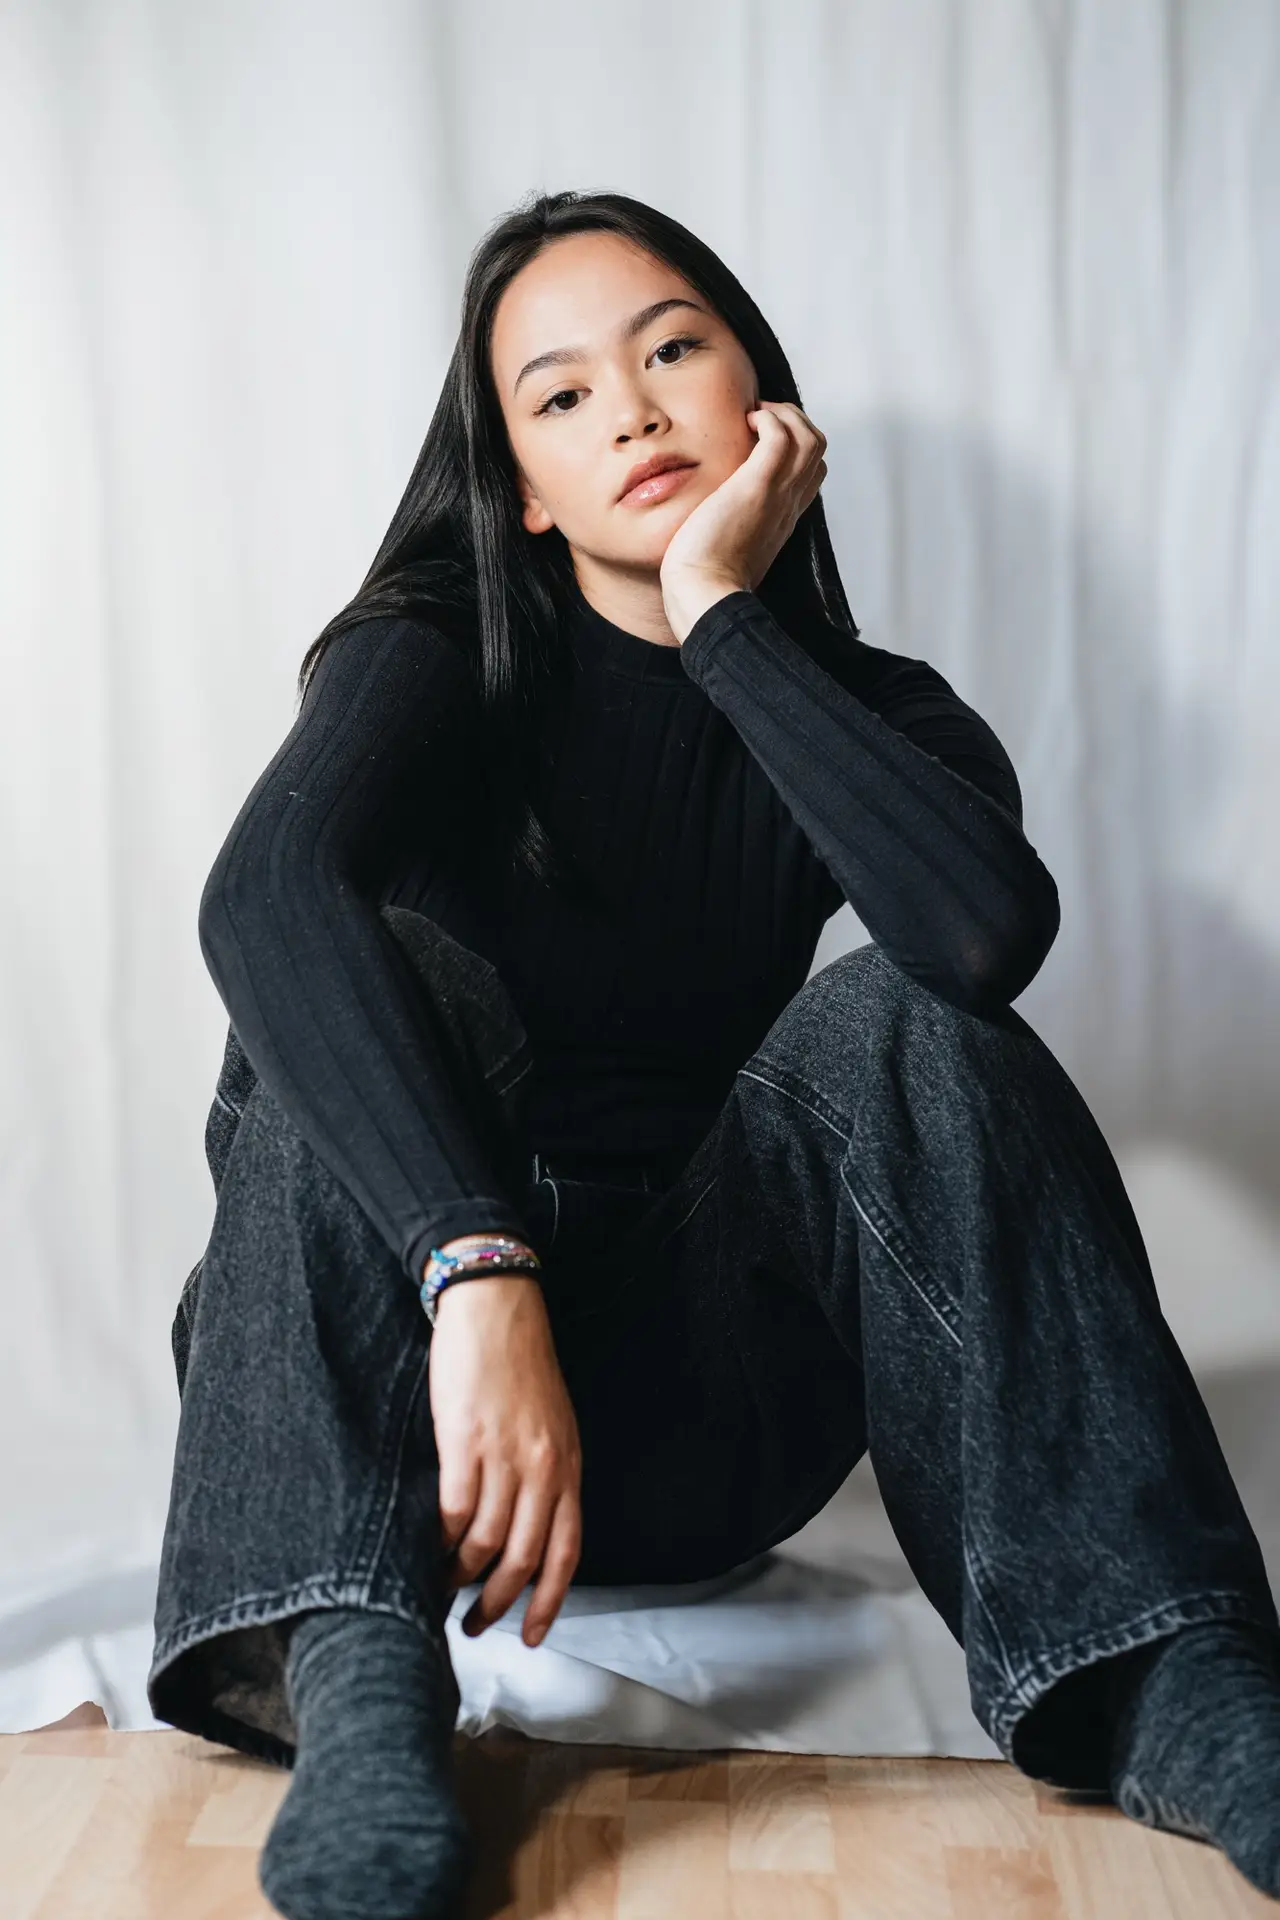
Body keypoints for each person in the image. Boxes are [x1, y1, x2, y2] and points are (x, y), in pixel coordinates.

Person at [147, 189, 1280, 1920]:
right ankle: (358, 1682)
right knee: (370, 966)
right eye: (563, 393)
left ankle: (1169, 1677)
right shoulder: (432, 658)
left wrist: (724, 615)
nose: (633, 410)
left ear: (762, 396)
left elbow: (983, 944)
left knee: (904, 1009)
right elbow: (262, 895)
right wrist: (477, 1266)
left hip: (702, 1421)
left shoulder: (869, 709)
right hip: (416, 1414)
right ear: (525, 489)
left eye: (671, 350)